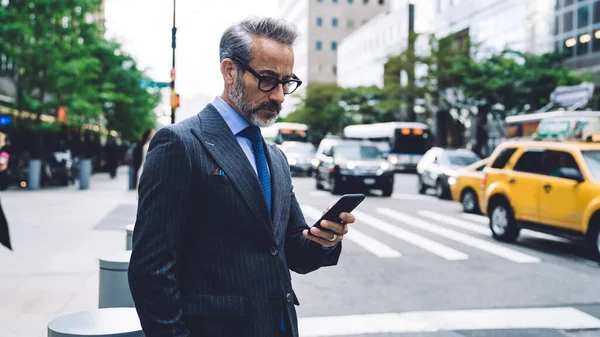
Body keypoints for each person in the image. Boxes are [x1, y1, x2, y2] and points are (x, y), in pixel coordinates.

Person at [128, 17, 356, 337]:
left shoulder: (274, 157)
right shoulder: (179, 144)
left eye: (286, 82)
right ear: (229, 70)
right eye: (267, 79)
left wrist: (324, 240)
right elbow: (150, 271)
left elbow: (291, 251)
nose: (278, 96)